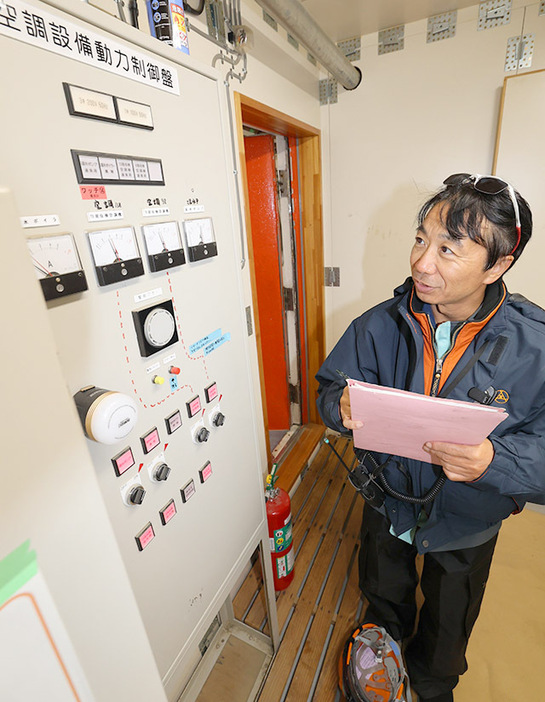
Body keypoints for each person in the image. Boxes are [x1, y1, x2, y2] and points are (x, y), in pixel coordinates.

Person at [315, 173, 545, 702]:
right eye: (421, 238)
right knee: (384, 593)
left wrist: (494, 462)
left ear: (498, 264)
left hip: (468, 518)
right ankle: (382, 654)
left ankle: (434, 684)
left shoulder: (535, 347)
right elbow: (330, 390)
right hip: (387, 500)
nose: (422, 262)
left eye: (449, 249)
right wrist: (339, 406)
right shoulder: (379, 325)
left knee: (448, 620)